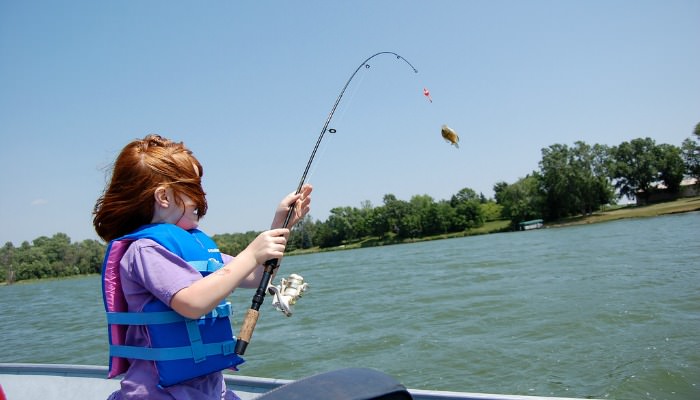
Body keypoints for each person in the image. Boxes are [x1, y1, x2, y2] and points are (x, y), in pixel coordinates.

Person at [93, 134, 312, 400]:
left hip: (210, 391)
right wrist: (250, 253)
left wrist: (281, 224)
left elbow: (255, 275)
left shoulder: (193, 248)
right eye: (194, 188)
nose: (202, 197)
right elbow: (192, 302)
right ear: (164, 196)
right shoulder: (145, 250)